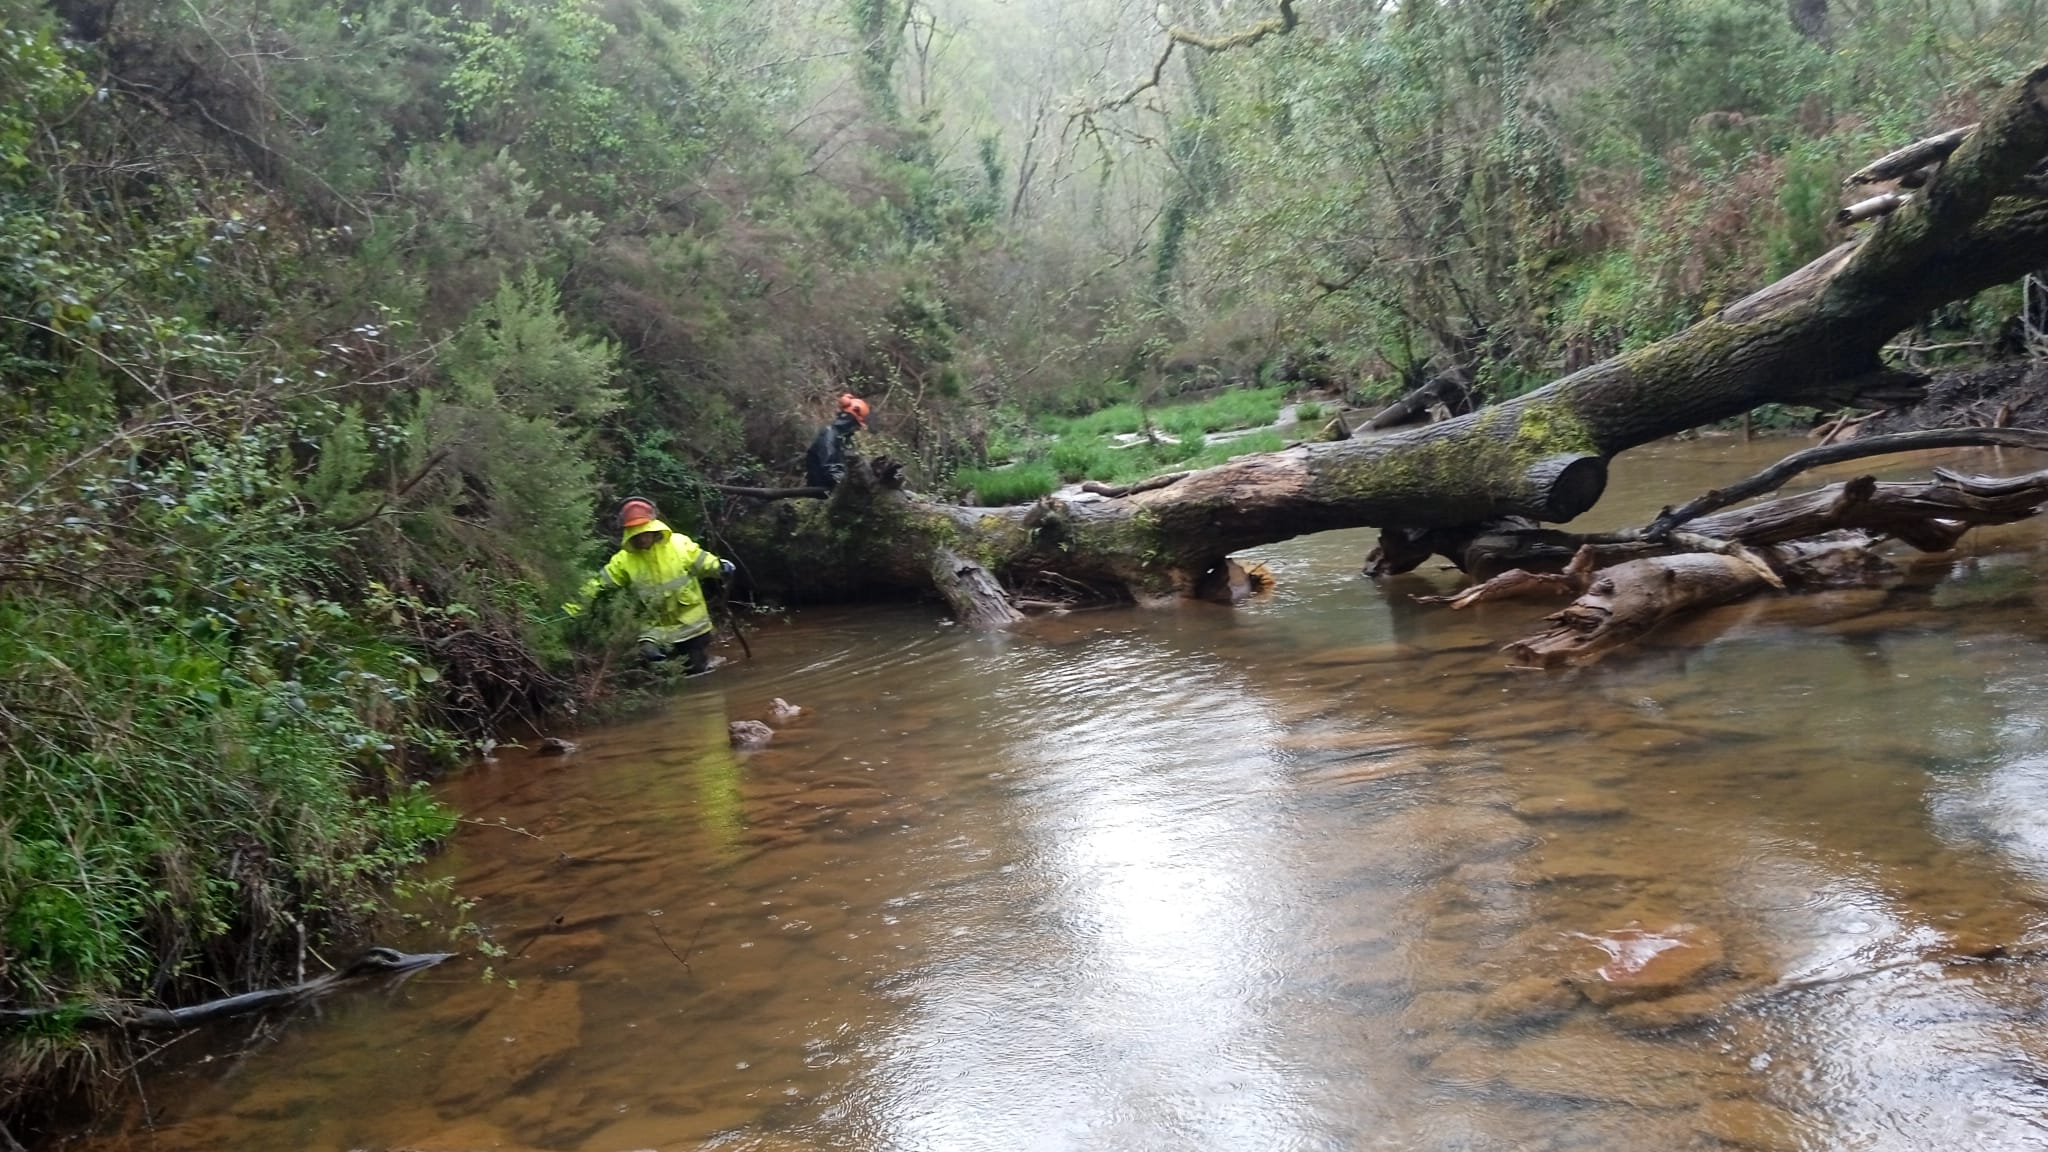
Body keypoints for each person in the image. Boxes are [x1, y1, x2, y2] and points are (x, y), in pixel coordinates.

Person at [563, 497, 734, 673]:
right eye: (637, 534)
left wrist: (720, 567)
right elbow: (598, 585)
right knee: (662, 672)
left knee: (698, 672)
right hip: (655, 630)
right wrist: (573, 607)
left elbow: (702, 561)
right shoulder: (624, 561)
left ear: (654, 529)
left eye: (645, 532)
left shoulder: (679, 544)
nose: (642, 538)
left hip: (692, 626)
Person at [805, 393, 869, 489]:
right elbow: (831, 470)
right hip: (820, 491)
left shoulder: (843, 439)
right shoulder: (829, 434)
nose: (857, 429)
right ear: (850, 421)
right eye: (857, 425)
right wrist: (846, 482)